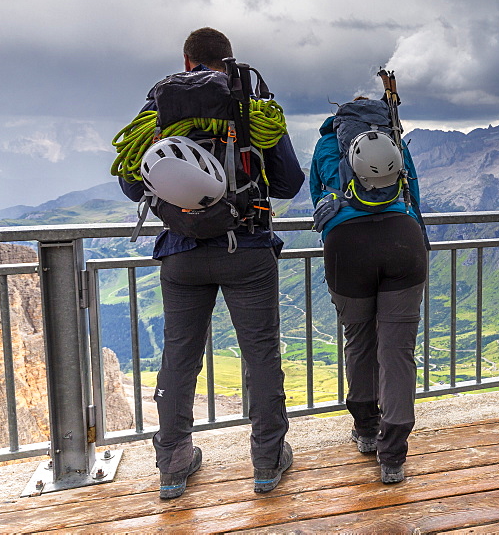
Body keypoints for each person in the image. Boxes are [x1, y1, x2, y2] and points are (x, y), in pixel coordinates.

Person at [118, 27, 305, 499]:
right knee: (261, 355)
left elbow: (132, 183)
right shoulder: (248, 104)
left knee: (179, 357)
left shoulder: (159, 106)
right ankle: (266, 462)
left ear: (186, 62)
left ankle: (174, 467)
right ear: (229, 61)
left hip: (180, 252)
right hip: (247, 249)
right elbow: (288, 183)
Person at [310, 95, 428, 484]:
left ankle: (365, 430)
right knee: (397, 351)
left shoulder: (327, 145)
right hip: (402, 241)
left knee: (358, 340)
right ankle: (393, 456)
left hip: (347, 248)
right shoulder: (395, 140)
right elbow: (413, 197)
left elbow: (317, 197)